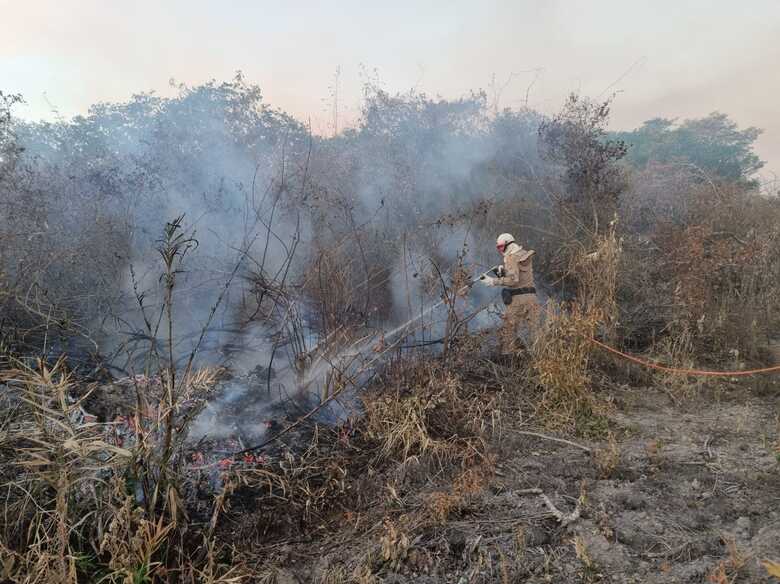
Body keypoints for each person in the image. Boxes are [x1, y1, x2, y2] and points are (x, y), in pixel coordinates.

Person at [480, 233, 541, 352]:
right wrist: (504, 272)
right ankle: (541, 357)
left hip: (517, 300)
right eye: (498, 248)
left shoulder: (511, 257)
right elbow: (520, 276)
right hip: (532, 298)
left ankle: (509, 358)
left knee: (509, 333)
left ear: (509, 244)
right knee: (536, 333)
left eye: (501, 247)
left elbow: (513, 280)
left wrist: (493, 281)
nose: (500, 250)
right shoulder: (524, 254)